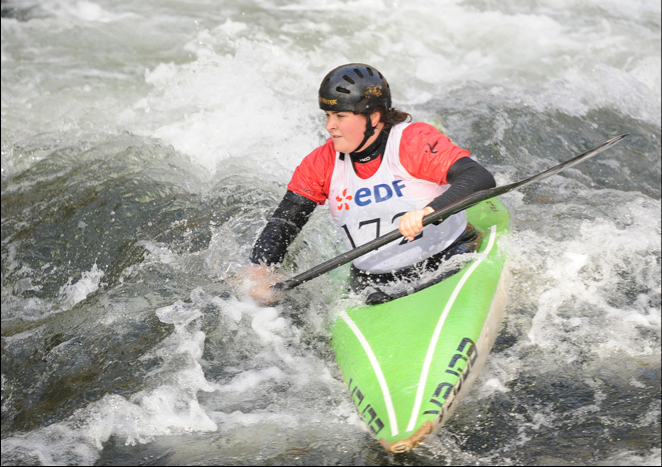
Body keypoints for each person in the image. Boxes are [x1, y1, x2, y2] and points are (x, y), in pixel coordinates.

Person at [242, 63, 496, 305]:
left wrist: (429, 211)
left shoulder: (412, 141)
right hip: (372, 285)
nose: (330, 126)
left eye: (341, 116)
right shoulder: (320, 162)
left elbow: (479, 177)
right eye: (328, 115)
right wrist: (259, 272)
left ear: (373, 117)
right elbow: (283, 225)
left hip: (448, 259)